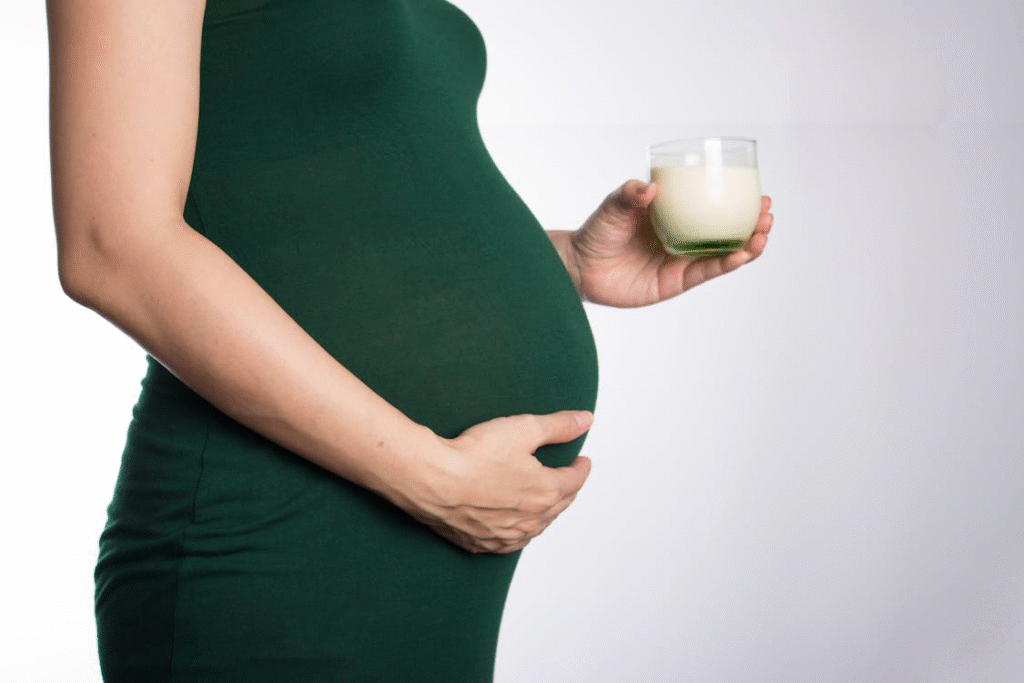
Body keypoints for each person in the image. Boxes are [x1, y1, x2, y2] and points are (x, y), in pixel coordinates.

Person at [46, 0, 773, 680]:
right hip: (277, 540)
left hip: (424, 556)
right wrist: (432, 477)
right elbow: (114, 245)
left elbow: (331, 213)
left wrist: (569, 262)